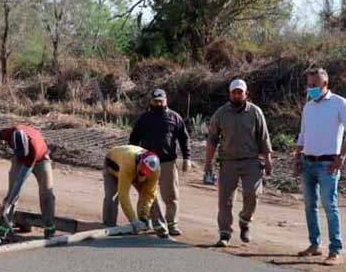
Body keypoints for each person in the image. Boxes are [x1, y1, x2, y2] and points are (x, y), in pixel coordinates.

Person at [294, 68, 346, 266]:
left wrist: (342, 157)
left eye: (314, 85)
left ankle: (335, 250)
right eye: (308, 85)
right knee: (309, 205)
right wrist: (297, 157)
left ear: (325, 84)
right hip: (308, 162)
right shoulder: (309, 107)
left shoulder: (339, 103)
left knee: (330, 206)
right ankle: (314, 245)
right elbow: (303, 135)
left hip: (328, 164)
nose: (310, 89)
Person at [204, 78, 273, 247]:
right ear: (229, 94)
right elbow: (212, 139)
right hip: (228, 162)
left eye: (240, 92)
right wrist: (208, 163)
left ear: (246, 94)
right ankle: (225, 234)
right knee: (225, 201)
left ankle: (245, 221)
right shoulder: (221, 114)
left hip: (251, 162)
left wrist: (268, 160)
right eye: (234, 92)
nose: (236, 95)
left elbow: (264, 137)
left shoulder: (255, 112)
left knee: (252, 195)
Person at [0, 124, 57, 242]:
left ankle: (49, 229)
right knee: (11, 194)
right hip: (20, 158)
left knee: (46, 194)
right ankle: (2, 229)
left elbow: (20, 181)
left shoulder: (33, 149)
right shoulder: (8, 133)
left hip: (40, 159)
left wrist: (8, 203)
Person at [128, 88, 191, 237]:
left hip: (167, 163)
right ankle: (144, 222)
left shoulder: (174, 117)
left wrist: (187, 158)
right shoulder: (144, 118)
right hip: (147, 163)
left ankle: (172, 224)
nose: (158, 103)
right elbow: (134, 138)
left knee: (171, 197)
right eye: (155, 101)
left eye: (160, 101)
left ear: (166, 101)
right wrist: (134, 158)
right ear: (151, 101)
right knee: (147, 194)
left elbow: (184, 138)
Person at [102, 145, 167, 238]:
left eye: (145, 174)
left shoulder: (155, 171)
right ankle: (109, 226)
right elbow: (123, 195)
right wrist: (133, 220)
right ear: (139, 163)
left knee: (154, 197)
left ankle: (160, 227)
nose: (143, 175)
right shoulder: (128, 163)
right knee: (112, 196)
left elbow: (149, 194)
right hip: (113, 167)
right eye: (142, 172)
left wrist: (143, 215)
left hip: (135, 173)